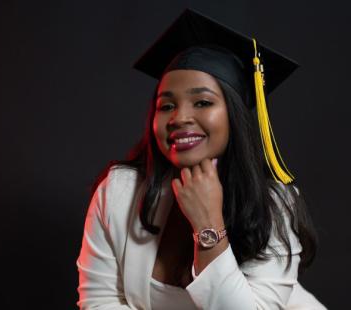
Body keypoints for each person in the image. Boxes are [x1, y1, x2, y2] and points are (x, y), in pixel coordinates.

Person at [76, 8, 327, 310]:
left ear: (234, 116)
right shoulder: (120, 191)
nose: (180, 117)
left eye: (203, 102)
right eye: (166, 105)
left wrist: (208, 224)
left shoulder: (272, 206)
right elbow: (99, 301)